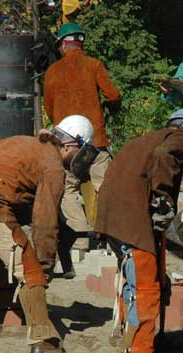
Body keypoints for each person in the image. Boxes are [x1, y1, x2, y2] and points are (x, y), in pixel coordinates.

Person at [0, 115, 97, 353]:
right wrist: (45, 264)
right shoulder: (53, 166)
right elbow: (44, 221)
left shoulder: (25, 142)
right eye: (80, 151)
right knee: (30, 271)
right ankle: (42, 340)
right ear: (71, 145)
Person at [95, 109, 183, 353]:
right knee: (146, 295)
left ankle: (133, 349)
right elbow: (166, 158)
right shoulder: (180, 140)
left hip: (113, 222)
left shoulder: (142, 140)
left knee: (137, 288)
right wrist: (163, 197)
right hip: (134, 227)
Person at [44, 22, 122, 269]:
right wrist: (110, 110)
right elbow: (113, 95)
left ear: (63, 45)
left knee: (68, 190)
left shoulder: (53, 71)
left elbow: (49, 107)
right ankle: (113, 241)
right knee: (108, 189)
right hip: (96, 142)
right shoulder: (94, 65)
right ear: (80, 43)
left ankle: (79, 243)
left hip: (66, 144)